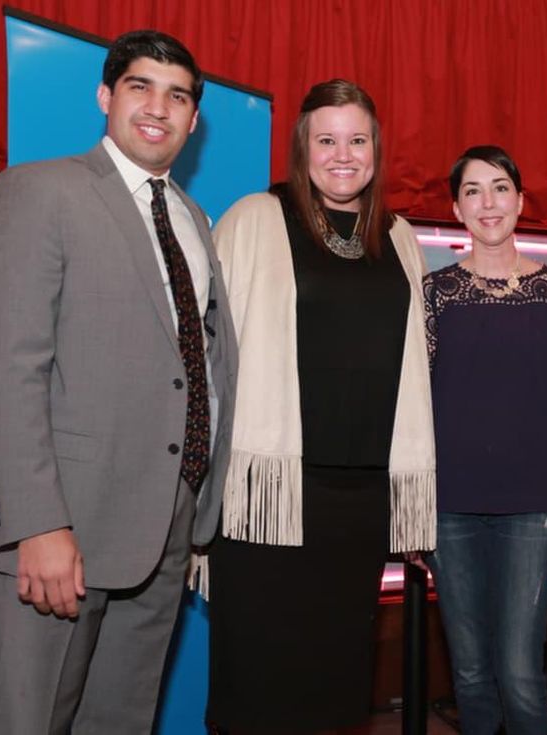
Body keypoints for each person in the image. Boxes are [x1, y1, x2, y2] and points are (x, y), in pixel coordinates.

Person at [0, 30, 237, 733]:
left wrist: (198, 509)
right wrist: (39, 522)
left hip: (166, 531)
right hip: (64, 533)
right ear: (106, 96)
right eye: (140, 86)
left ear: (195, 119)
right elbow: (11, 367)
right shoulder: (40, 191)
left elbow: (196, 364)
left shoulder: (193, 218)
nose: (158, 107)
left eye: (178, 95)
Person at [206, 78, 435, 734]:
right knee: (254, 682)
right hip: (268, 497)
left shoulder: (399, 237)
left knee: (337, 688)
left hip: (359, 503)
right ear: (302, 148)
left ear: (376, 149)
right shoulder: (254, 217)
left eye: (357, 139)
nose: (343, 154)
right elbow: (205, 356)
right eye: (326, 139)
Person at [422, 145, 547, 734]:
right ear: (455, 208)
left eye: (499, 188)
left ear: (520, 199)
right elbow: (415, 405)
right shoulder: (432, 294)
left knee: (519, 669)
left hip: (533, 505)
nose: (487, 203)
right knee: (468, 670)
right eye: (472, 191)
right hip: (450, 505)